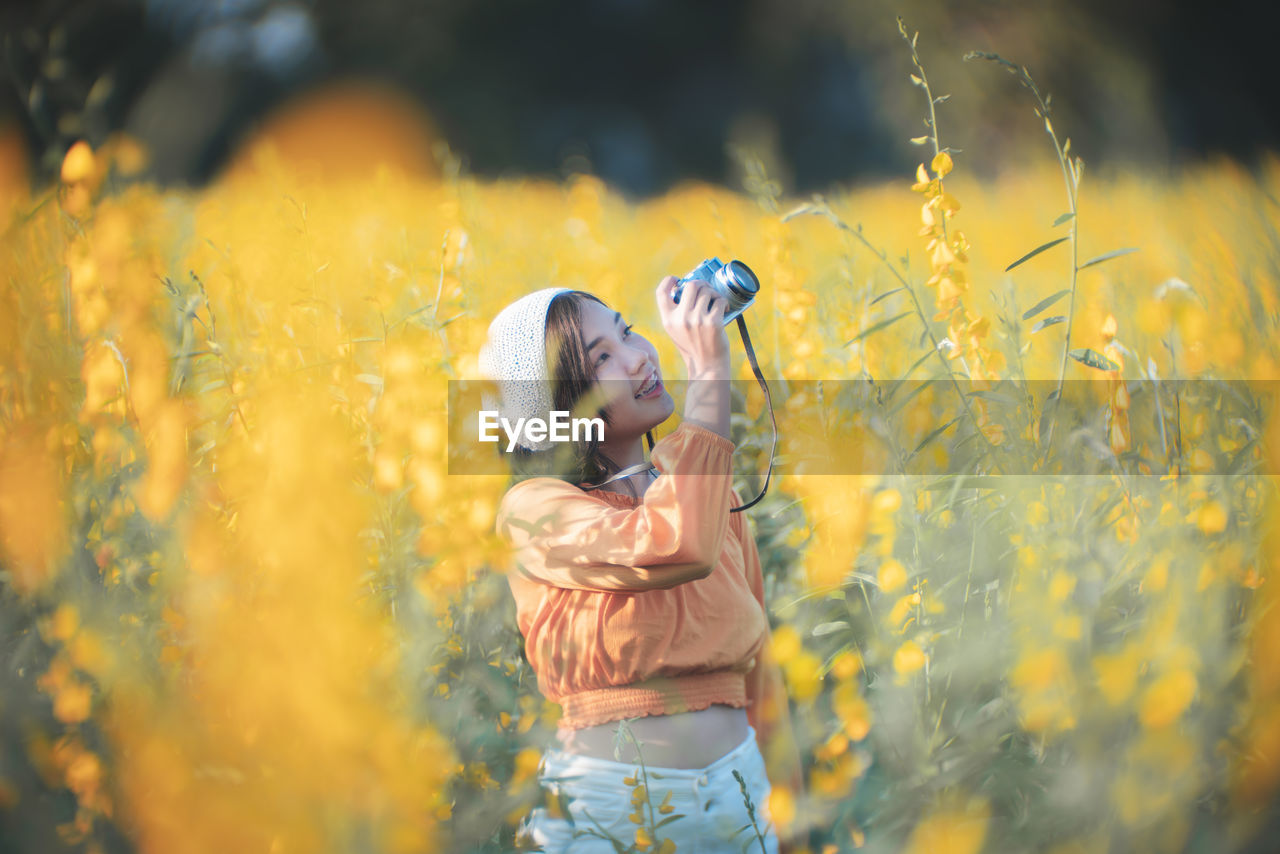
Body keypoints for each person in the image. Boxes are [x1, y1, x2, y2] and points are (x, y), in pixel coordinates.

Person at [481, 275, 804, 853]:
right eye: (602, 356)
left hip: (743, 804)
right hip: (610, 812)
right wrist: (708, 374)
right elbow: (673, 544)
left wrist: (796, 824)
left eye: (628, 331)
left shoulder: (712, 497)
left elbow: (763, 677)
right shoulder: (532, 511)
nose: (637, 357)